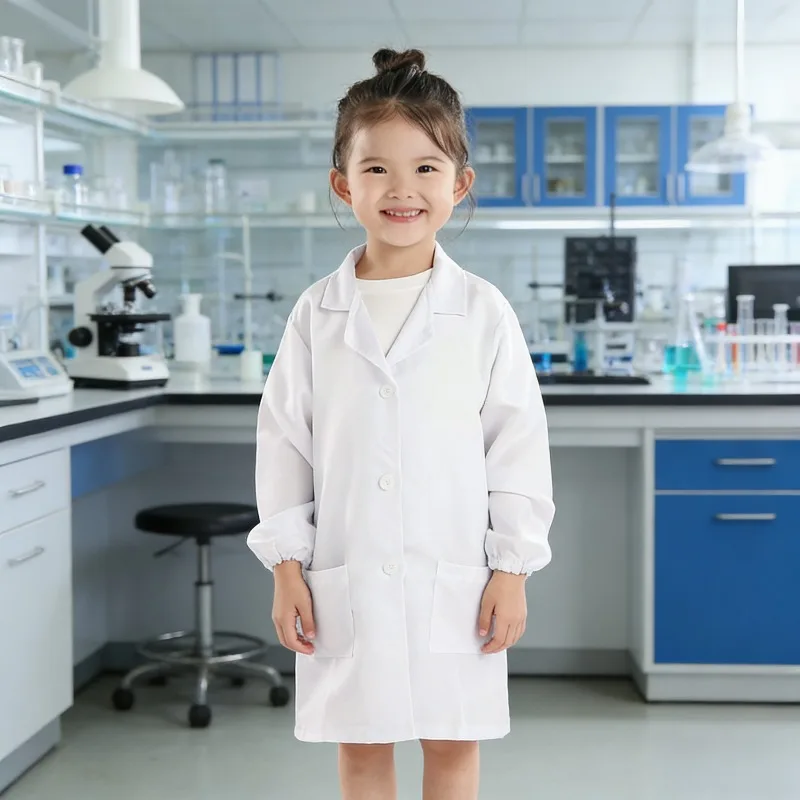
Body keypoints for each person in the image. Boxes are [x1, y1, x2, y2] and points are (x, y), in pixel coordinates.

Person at [247, 47, 555, 800]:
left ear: (460, 183)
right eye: (376, 167)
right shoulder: (316, 314)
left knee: (453, 745)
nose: (401, 188)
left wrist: (511, 569)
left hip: (458, 572)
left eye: (425, 167)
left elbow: (516, 447)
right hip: (345, 574)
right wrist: (288, 566)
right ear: (342, 183)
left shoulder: (483, 312)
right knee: (361, 748)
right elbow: (286, 443)